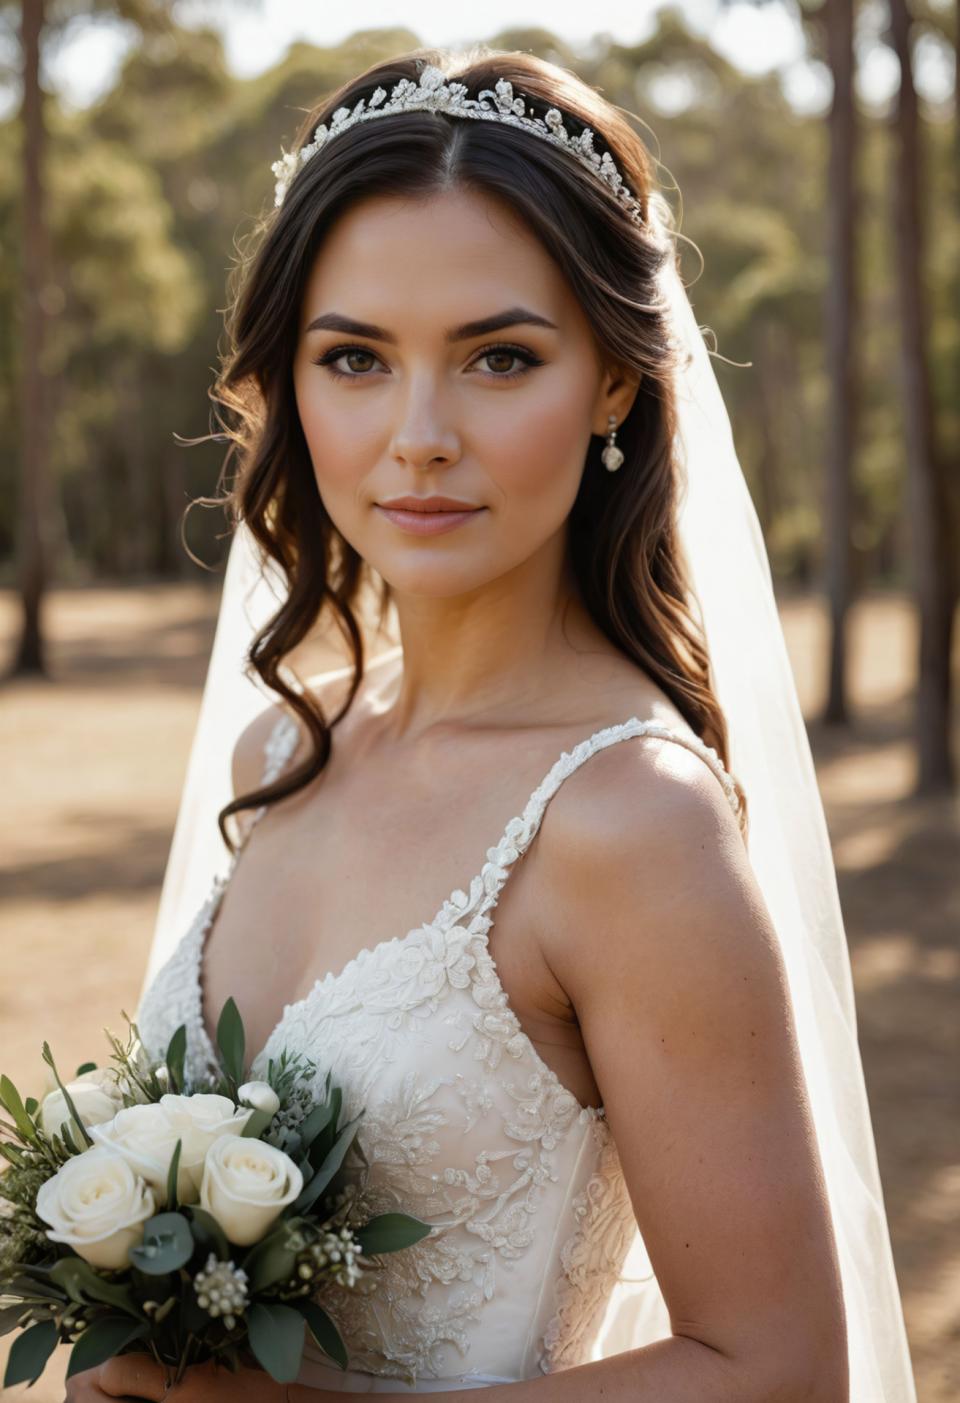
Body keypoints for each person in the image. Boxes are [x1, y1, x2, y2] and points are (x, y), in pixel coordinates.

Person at [67, 45, 916, 1401]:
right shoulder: (282, 751)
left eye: (499, 358)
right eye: (354, 357)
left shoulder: (628, 825)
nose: (417, 435)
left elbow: (776, 1369)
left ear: (617, 387)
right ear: (289, 381)